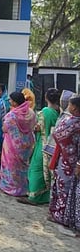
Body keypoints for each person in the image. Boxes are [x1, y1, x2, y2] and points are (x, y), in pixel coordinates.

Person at [18, 88, 60, 205]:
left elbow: (38, 128)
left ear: (46, 98)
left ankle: (34, 197)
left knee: (36, 169)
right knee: (45, 170)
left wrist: (36, 128)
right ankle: (44, 195)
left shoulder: (44, 112)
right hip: (53, 145)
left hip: (42, 144)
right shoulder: (59, 112)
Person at [49, 95, 80, 234]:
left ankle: (62, 215)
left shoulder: (73, 122)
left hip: (69, 160)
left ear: (75, 107)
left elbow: (57, 133)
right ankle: (64, 215)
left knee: (64, 187)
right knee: (66, 187)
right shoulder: (72, 120)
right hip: (68, 158)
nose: (68, 106)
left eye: (70, 104)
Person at [0, 91, 36, 196]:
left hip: (12, 145)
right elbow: (33, 125)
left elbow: (5, 128)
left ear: (14, 102)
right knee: (23, 166)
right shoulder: (31, 113)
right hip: (26, 144)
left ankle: (10, 186)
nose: (9, 101)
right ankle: (23, 187)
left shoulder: (12, 115)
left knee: (11, 165)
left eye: (10, 100)